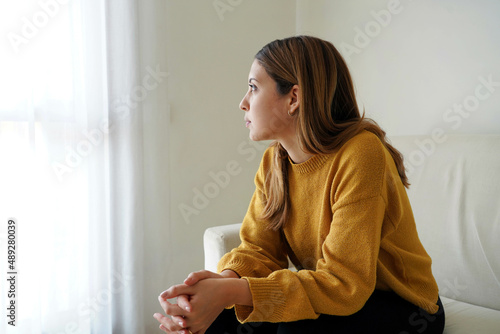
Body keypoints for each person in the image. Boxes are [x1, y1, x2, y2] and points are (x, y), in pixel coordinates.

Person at [153, 35, 445, 334]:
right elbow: (260, 250)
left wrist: (232, 291)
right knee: (220, 318)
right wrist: (222, 284)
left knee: (294, 328)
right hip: (339, 296)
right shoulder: (274, 162)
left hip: (403, 305)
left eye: (253, 87)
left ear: (294, 98)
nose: (243, 103)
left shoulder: (362, 154)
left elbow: (345, 284)